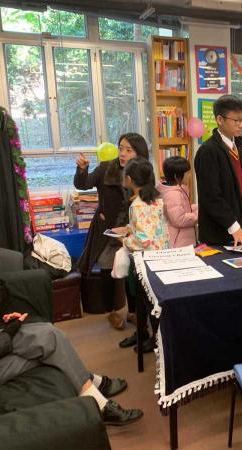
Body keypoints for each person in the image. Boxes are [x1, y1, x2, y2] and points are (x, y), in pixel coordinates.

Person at [0, 220, 142, 426]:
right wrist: (7, 335)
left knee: (46, 340)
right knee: (48, 338)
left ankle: (93, 387)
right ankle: (98, 399)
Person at [74, 133, 148, 330]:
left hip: (133, 231)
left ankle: (132, 311)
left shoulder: (143, 171)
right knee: (107, 269)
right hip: (107, 231)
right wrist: (82, 170)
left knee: (133, 272)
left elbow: (147, 200)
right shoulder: (107, 168)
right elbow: (83, 184)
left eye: (128, 150)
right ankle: (111, 312)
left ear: (139, 153)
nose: (122, 153)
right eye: (121, 148)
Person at [194, 95, 242, 249]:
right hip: (218, 235)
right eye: (236, 120)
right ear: (220, 120)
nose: (240, 125)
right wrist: (234, 227)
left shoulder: (239, 149)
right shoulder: (208, 151)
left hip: (241, 230)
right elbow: (211, 197)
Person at [117, 159, 170, 352]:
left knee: (149, 305)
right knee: (158, 302)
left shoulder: (137, 205)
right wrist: (131, 229)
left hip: (147, 261)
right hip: (163, 256)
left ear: (129, 179)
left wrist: (124, 240)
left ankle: (156, 341)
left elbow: (144, 239)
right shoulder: (157, 200)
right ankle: (160, 339)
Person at [157, 156, 198, 248]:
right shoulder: (173, 194)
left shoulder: (174, 190)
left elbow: (182, 208)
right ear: (177, 176)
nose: (190, 176)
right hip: (179, 243)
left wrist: (197, 207)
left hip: (182, 240)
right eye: (187, 173)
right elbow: (179, 219)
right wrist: (198, 214)